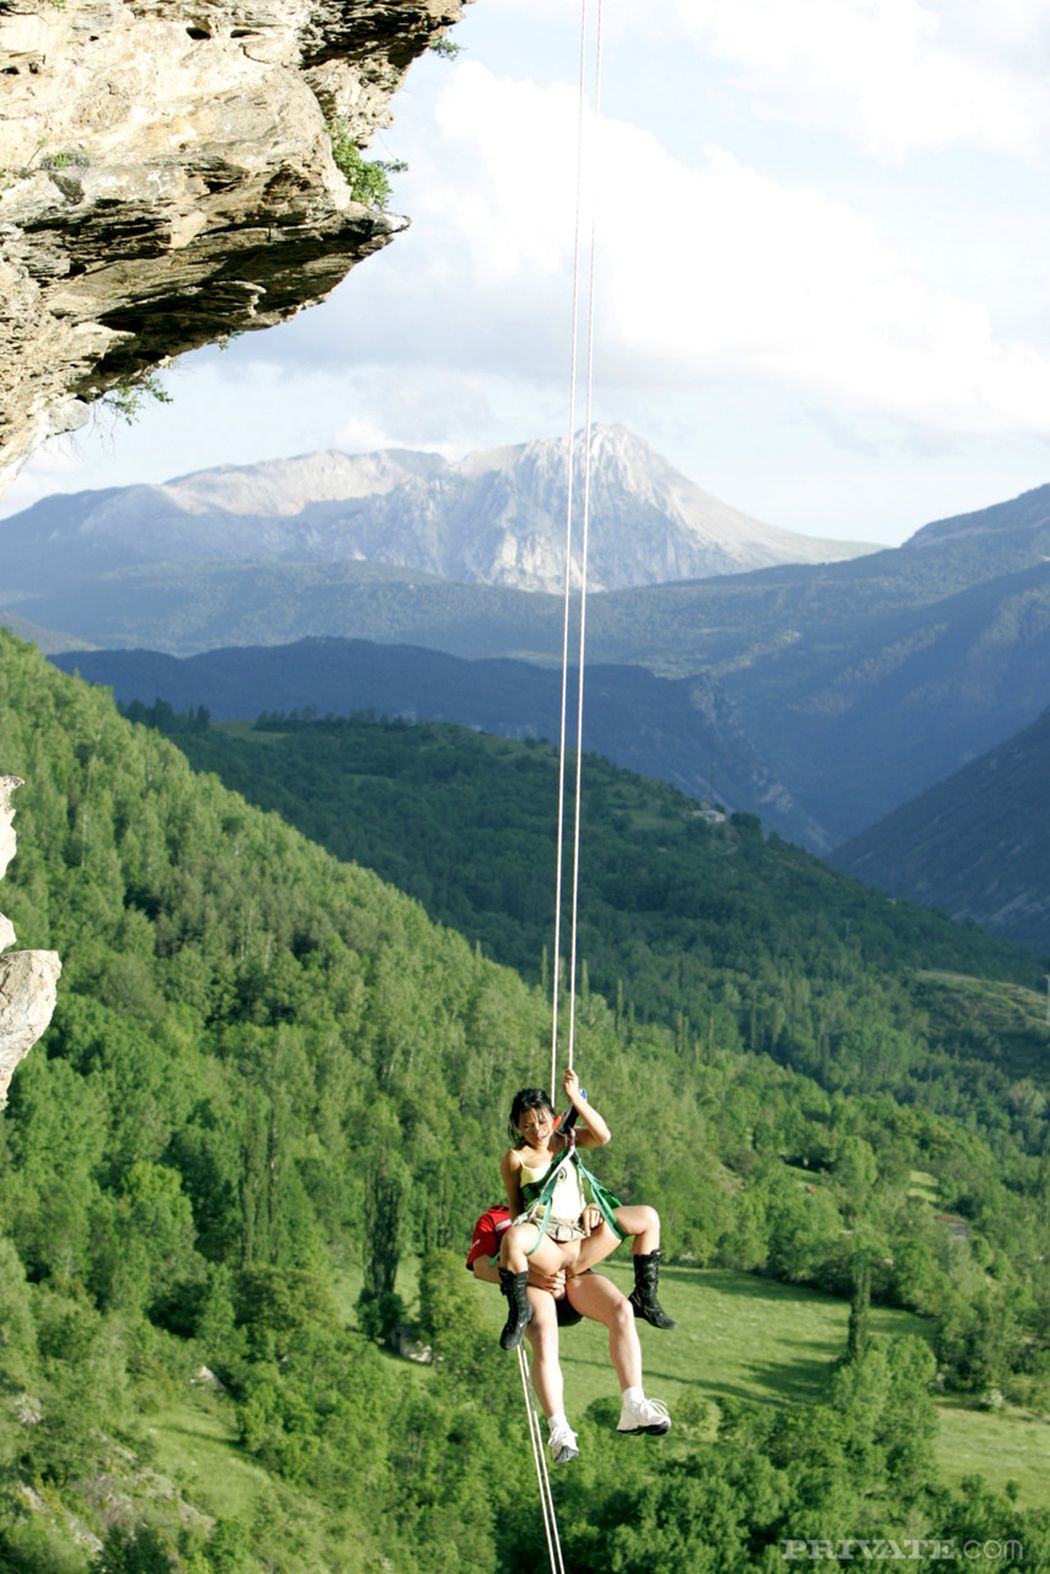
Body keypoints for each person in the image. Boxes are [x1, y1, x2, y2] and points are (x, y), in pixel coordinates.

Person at [469, 1210, 671, 1465]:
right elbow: (480, 1267)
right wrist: (534, 1277)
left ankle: (634, 1403)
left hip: (573, 1277)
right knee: (544, 1333)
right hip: (532, 1286)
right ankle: (559, 1428)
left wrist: (593, 1211)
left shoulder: (563, 1203)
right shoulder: (494, 1218)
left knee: (622, 1309)